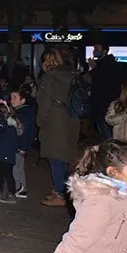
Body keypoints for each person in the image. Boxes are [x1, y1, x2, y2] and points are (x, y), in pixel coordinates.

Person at [36, 48, 81, 207]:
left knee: (55, 158)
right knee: (64, 158)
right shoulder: (72, 76)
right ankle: (62, 190)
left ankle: (60, 194)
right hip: (71, 120)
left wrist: (40, 121)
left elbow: (44, 103)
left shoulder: (49, 78)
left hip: (55, 121)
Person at [91, 44, 127, 141]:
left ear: (104, 51)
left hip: (104, 105)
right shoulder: (106, 65)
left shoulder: (105, 66)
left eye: (97, 49)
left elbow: (101, 84)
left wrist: (94, 69)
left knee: (108, 136)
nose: (94, 51)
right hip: (110, 105)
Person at [0, 99, 22, 204]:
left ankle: (11, 193)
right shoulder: (0, 126)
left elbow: (7, 140)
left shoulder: (10, 126)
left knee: (7, 174)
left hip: (6, 154)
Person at [10, 87, 37, 198]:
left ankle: (19, 187)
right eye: (11, 98)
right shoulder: (23, 112)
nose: (11, 100)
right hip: (20, 145)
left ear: (23, 100)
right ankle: (20, 187)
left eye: (15, 98)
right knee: (18, 166)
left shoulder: (23, 114)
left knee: (16, 166)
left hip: (20, 146)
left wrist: (23, 147)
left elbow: (25, 132)